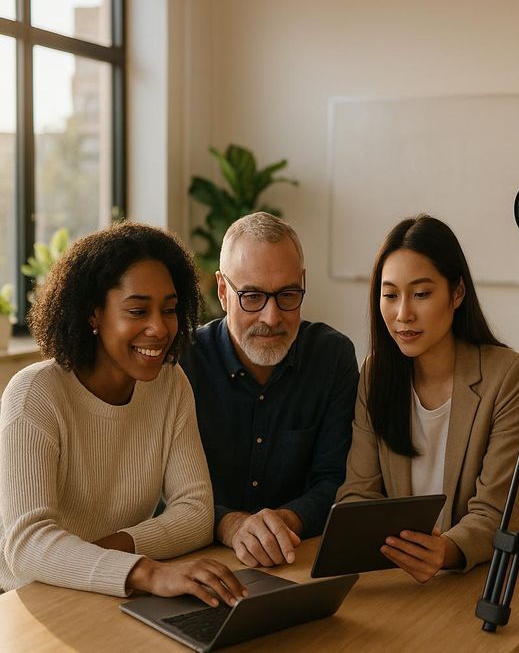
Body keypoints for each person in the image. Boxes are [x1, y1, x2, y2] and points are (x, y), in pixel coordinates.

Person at [0, 222, 245, 606]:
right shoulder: (35, 393)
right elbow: (28, 546)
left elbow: (196, 514)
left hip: (106, 591)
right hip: (25, 602)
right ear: (93, 314)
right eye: (137, 310)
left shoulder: (171, 384)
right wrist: (144, 571)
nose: (159, 328)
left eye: (169, 309)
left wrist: (105, 557)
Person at [337, 214, 519, 583]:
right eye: (390, 294)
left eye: (422, 293)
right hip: (396, 576)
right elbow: (357, 496)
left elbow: (497, 511)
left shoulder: (509, 376)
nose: (402, 314)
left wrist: (444, 552)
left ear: (457, 293)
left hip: (480, 576)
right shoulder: (376, 374)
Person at [180, 212, 358, 569]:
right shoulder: (183, 362)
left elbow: (335, 479)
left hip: (297, 560)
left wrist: (283, 522)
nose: (272, 317)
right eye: (252, 296)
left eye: (288, 294)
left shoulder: (332, 356)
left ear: (303, 283)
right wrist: (230, 524)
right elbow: (162, 490)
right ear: (222, 291)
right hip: (200, 563)